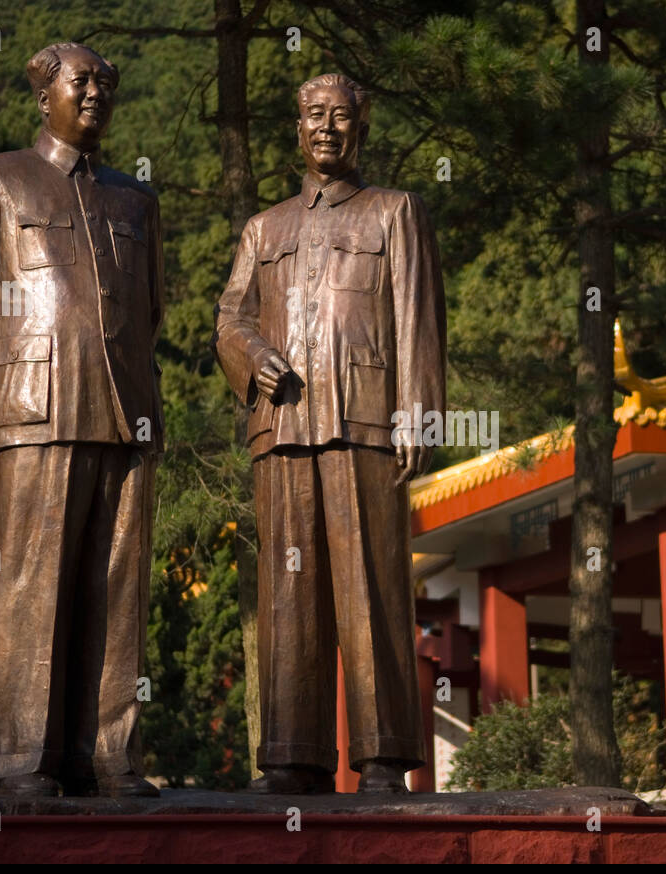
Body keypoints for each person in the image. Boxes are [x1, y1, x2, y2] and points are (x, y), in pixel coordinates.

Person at [0, 42, 164, 798]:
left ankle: (108, 754)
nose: (96, 91)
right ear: (44, 97)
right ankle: (21, 757)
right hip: (33, 413)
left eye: (106, 81)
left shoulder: (136, 200)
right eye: (81, 81)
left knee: (117, 588)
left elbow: (151, 312)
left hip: (125, 413)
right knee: (32, 586)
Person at [213, 73, 446, 794]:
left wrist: (419, 410)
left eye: (340, 116)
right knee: (289, 594)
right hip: (282, 427)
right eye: (314, 115)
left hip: (365, 418)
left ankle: (382, 755)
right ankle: (292, 753)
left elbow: (418, 316)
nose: (326, 128)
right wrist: (253, 358)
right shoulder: (265, 228)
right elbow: (230, 317)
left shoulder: (394, 212)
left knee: (372, 587)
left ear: (360, 127)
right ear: (297, 127)